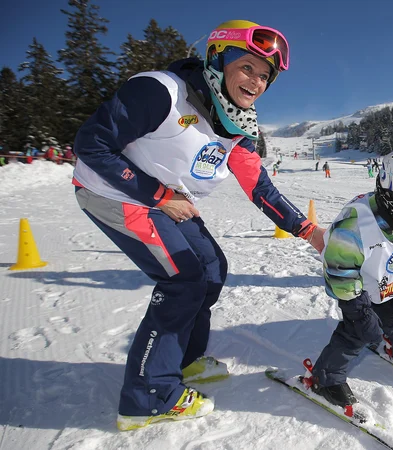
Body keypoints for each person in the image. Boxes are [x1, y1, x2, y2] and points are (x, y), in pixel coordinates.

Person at [71, 20, 325, 430]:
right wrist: (159, 196)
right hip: (112, 192)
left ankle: (183, 361)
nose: (256, 82)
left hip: (166, 197)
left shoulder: (237, 127)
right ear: (217, 59)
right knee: (183, 280)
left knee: (211, 269)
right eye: (247, 67)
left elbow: (261, 189)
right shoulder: (161, 91)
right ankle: (147, 397)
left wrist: (308, 231)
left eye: (265, 76)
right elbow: (90, 143)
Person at [309, 149, 393, 407]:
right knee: (356, 333)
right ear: (390, 200)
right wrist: (358, 310)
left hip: (389, 284)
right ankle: (325, 378)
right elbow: (339, 272)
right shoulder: (353, 226)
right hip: (355, 291)